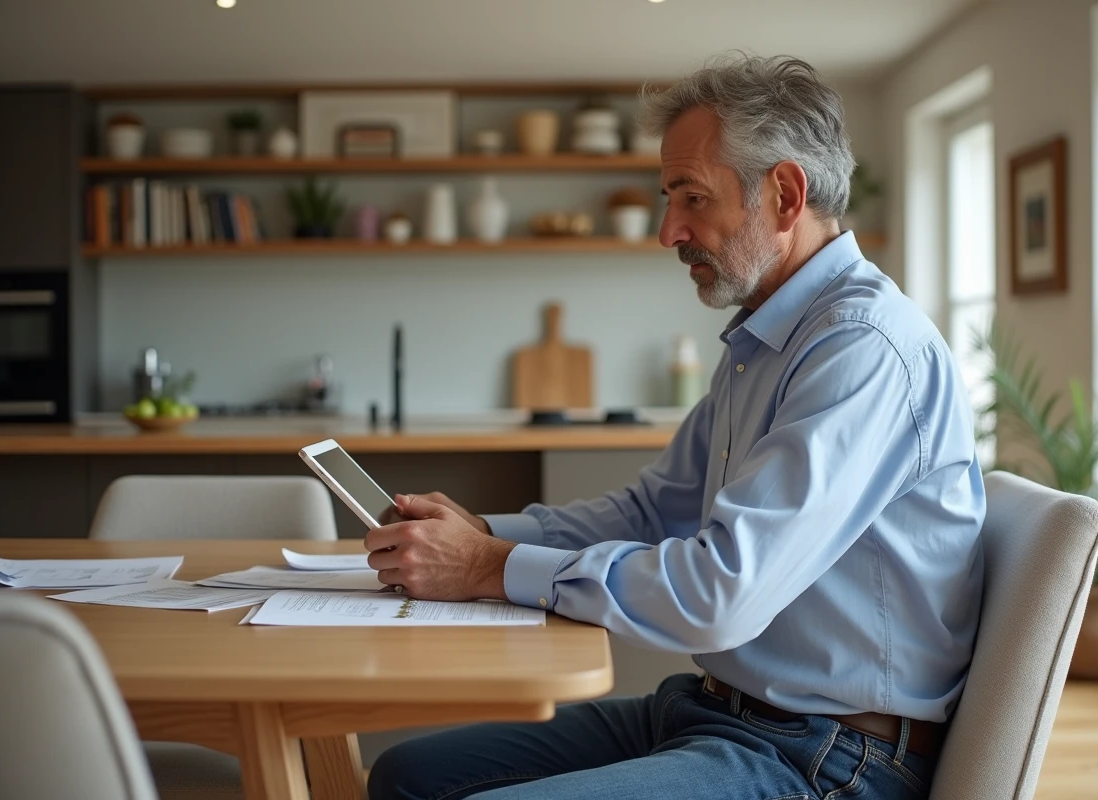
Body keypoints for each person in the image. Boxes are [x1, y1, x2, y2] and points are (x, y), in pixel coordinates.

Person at [365, 53, 985, 800]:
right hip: (719, 711)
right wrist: (483, 532)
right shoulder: (767, 335)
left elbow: (720, 593)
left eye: (691, 197)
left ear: (784, 194)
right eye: (668, 199)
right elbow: (653, 512)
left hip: (829, 755)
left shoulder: (862, 348)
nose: (668, 231)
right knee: (407, 776)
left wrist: (487, 568)